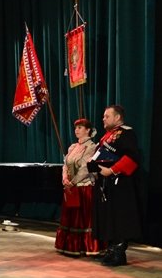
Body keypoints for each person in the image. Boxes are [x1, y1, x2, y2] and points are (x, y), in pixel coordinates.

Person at [89, 105, 144, 266]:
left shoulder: (126, 133)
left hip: (120, 183)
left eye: (107, 116)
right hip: (106, 183)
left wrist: (112, 170)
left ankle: (119, 253)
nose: (103, 119)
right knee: (109, 217)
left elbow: (132, 157)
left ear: (117, 117)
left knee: (119, 217)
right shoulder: (106, 136)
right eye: (103, 116)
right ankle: (112, 250)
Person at [54, 118, 103, 256]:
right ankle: (69, 246)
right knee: (70, 217)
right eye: (76, 127)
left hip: (83, 187)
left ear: (88, 130)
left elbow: (85, 168)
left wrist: (73, 181)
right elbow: (65, 165)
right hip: (71, 188)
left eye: (80, 127)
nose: (76, 130)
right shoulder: (72, 147)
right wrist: (65, 178)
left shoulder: (92, 147)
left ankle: (85, 247)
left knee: (82, 218)